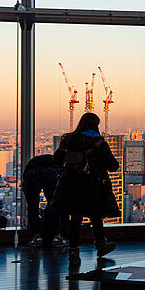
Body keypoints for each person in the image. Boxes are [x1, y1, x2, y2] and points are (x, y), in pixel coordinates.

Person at [51, 112, 118, 263]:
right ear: (96, 125)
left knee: (75, 218)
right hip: (93, 186)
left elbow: (56, 160)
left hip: (71, 185)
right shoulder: (99, 143)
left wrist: (65, 171)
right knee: (96, 215)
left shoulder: (67, 141)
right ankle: (101, 244)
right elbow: (113, 165)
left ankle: (73, 251)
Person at [22, 153, 65, 248]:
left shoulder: (34, 162)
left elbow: (25, 180)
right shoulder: (57, 162)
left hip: (31, 173)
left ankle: (36, 237)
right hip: (50, 172)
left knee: (32, 206)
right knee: (54, 204)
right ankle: (57, 237)